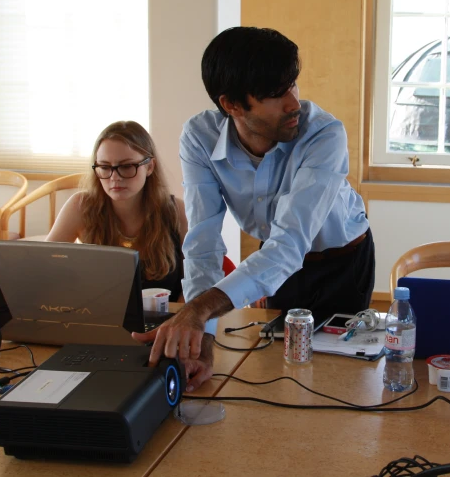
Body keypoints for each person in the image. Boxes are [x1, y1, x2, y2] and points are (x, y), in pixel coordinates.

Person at [133, 27, 375, 391]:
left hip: (343, 260)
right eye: (276, 95)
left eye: (292, 85)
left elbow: (289, 244)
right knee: (278, 367)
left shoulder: (324, 134)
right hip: (276, 260)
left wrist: (197, 311)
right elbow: (203, 245)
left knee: (339, 376)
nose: (294, 103)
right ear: (231, 104)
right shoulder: (199, 137)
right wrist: (204, 341)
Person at [0, 120, 187, 318]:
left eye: (126, 167)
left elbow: (194, 283)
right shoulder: (81, 206)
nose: (114, 177)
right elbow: (44, 269)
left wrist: (181, 316)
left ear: (150, 166)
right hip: (98, 321)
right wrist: (12, 300)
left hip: (162, 325)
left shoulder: (176, 211)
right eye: (104, 167)